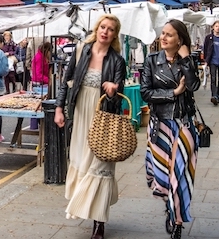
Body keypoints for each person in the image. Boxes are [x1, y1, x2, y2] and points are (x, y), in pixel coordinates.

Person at [53, 14, 127, 239]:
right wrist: (59, 108)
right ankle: (85, 206)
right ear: (97, 29)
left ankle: (99, 223)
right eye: (103, 27)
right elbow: (66, 82)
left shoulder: (117, 61)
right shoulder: (81, 50)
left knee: (101, 166)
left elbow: (120, 93)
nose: (105, 31)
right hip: (80, 113)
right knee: (82, 161)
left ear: (115, 35)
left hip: (103, 117)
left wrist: (114, 88)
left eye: (111, 29)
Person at [140, 19, 201, 239]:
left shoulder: (187, 60)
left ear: (180, 39)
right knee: (162, 176)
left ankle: (177, 221)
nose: (163, 38)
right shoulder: (151, 60)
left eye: (169, 34)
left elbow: (194, 86)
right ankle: (169, 206)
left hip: (183, 125)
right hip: (160, 126)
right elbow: (145, 93)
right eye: (162, 33)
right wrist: (173, 93)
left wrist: (186, 58)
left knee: (181, 175)